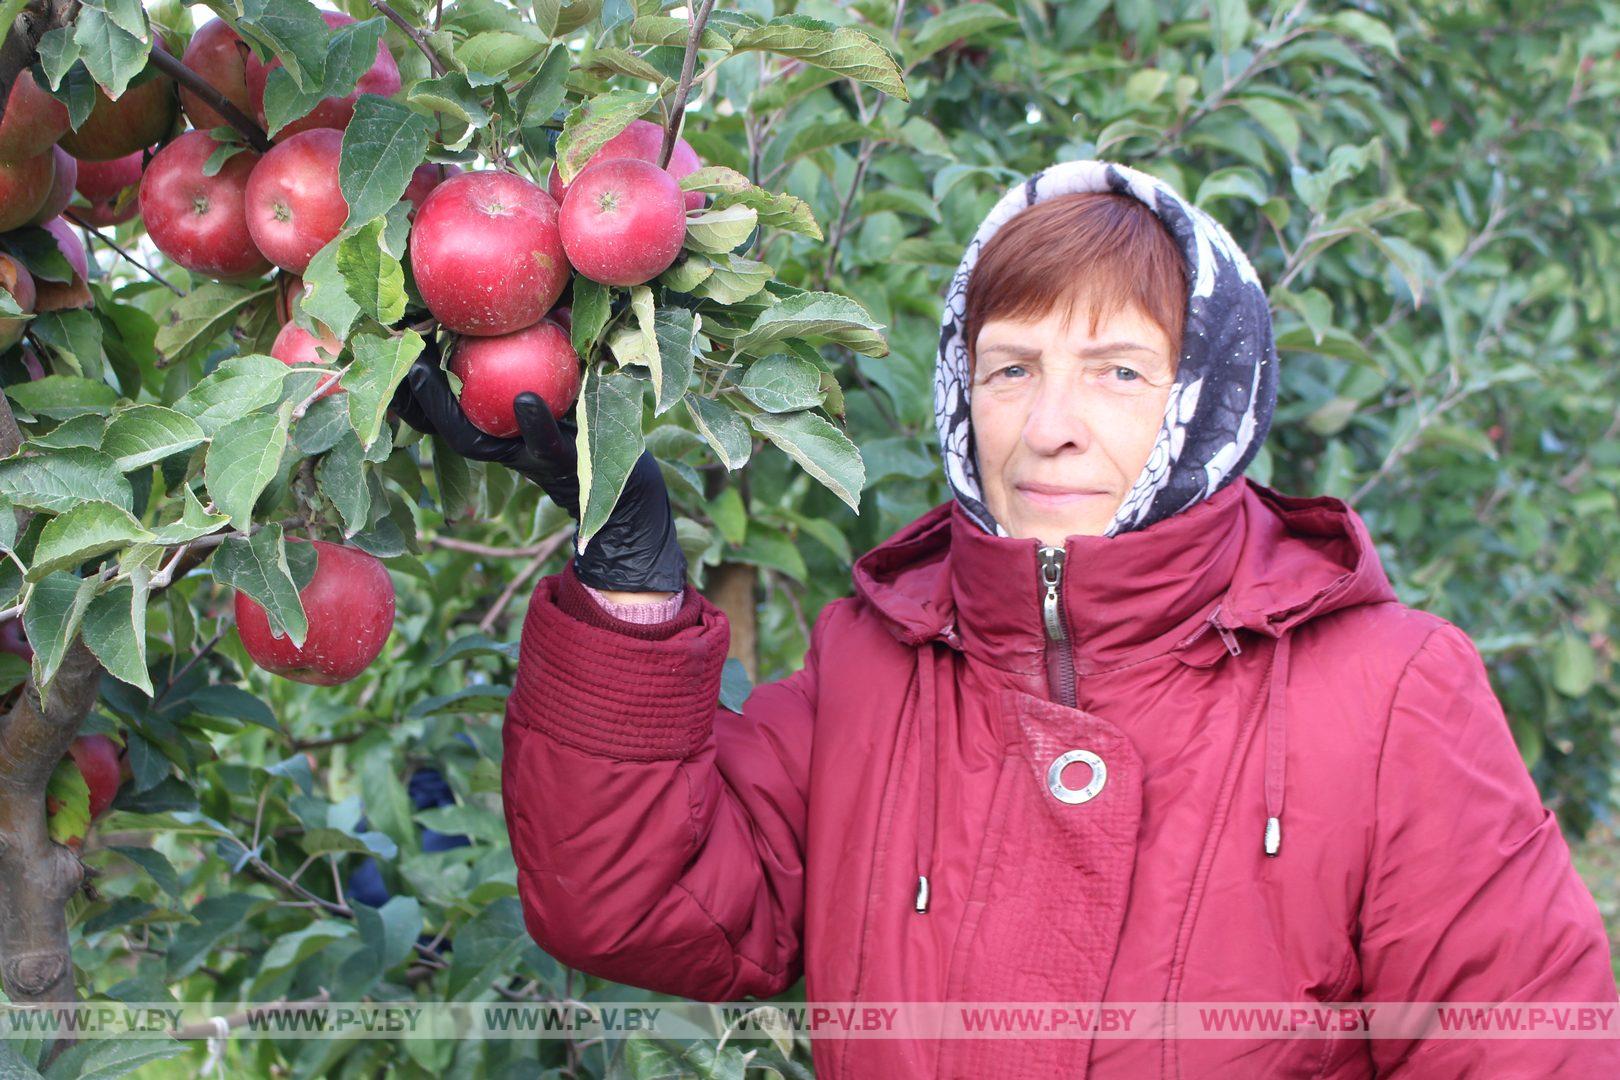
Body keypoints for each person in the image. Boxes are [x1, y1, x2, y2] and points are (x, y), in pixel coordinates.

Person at [392, 160, 1620, 1078]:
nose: (1052, 424)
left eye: (1120, 372)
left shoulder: (1388, 691)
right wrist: (628, 574)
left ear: (1211, 400)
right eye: (1011, 367)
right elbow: (629, 902)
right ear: (955, 390)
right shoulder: (876, 667)